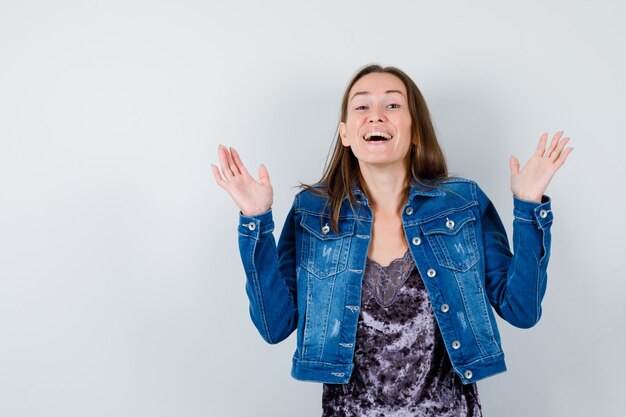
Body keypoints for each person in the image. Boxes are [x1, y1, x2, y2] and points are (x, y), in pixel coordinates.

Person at [211, 64, 572, 416]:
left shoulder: (463, 203)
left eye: (393, 105)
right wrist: (255, 221)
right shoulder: (312, 213)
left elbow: (521, 310)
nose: (376, 115)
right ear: (346, 134)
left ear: (415, 130)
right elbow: (275, 326)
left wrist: (529, 207)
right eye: (362, 106)